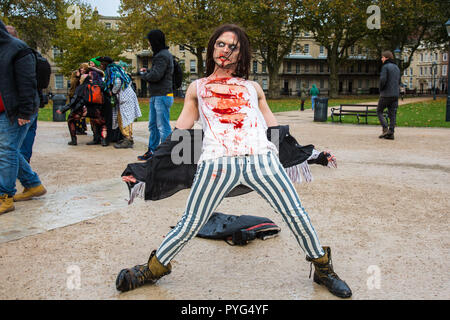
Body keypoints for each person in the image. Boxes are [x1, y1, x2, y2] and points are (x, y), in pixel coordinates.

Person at [115, 24, 352, 299]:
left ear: (241, 55)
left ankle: (323, 268)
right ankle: (153, 270)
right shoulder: (197, 88)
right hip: (216, 163)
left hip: (261, 160)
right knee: (190, 222)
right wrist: (145, 169)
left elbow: (275, 133)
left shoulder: (253, 88)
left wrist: (313, 156)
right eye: (221, 44)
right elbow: (180, 137)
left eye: (233, 46)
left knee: (296, 213)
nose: (225, 50)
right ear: (212, 48)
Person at [0, 20, 46, 215]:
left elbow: (28, 82)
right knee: (9, 150)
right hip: (5, 108)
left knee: (6, 149)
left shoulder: (18, 49)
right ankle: (33, 184)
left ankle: (5, 196)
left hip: (17, 109)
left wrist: (25, 112)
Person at [138, 29, 174, 161]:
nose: (149, 44)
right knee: (153, 125)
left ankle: (167, 154)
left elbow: (156, 76)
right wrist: (148, 71)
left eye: (150, 41)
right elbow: (156, 72)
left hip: (162, 95)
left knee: (163, 126)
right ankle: (152, 151)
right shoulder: (161, 55)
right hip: (157, 95)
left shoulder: (162, 55)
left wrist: (144, 75)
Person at [99, 56, 141, 149]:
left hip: (125, 97)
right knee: (122, 117)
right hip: (126, 96)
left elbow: (117, 82)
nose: (100, 65)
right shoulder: (114, 69)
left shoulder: (112, 70)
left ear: (105, 64)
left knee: (124, 118)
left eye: (102, 64)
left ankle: (128, 139)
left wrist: (113, 92)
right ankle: (127, 138)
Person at [377, 50, 400, 140]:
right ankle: (391, 132)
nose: (381, 59)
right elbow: (398, 81)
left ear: (386, 58)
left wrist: (381, 89)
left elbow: (383, 79)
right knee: (392, 113)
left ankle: (385, 128)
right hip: (395, 94)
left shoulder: (385, 67)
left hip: (386, 94)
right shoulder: (396, 67)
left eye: (382, 57)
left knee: (379, 111)